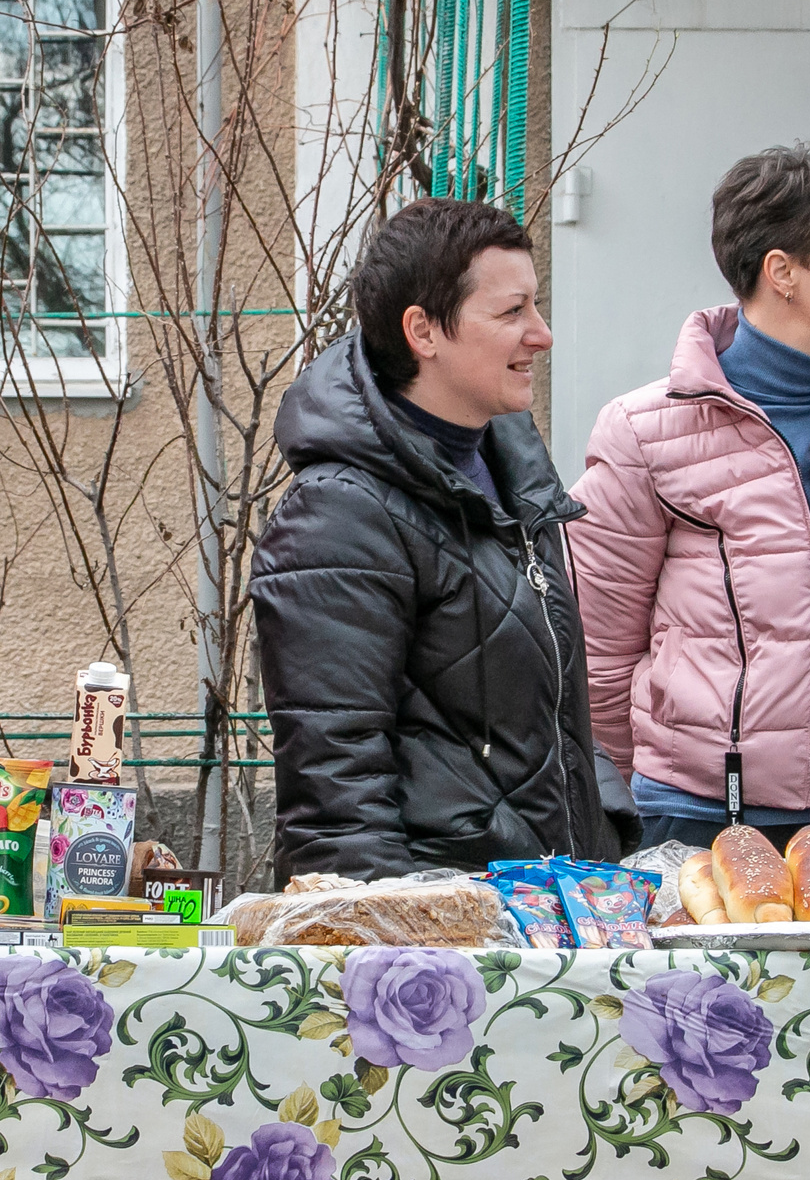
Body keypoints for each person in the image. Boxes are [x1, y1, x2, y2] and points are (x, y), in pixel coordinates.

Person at [569, 149, 810, 874]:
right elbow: (600, 648)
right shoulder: (643, 430)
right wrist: (641, 790)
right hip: (704, 816)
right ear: (783, 271)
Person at [252, 197, 638, 881]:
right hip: (447, 937)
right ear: (424, 332)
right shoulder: (341, 513)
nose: (542, 334)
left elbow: (548, 715)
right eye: (512, 311)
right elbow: (337, 790)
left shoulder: (515, 485)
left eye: (537, 307)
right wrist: (399, 952)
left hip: (546, 914)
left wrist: (608, 832)